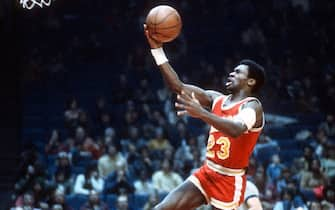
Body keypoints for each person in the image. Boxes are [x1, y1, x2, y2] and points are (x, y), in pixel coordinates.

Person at [144, 24, 265, 210]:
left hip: (230, 180)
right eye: (233, 70)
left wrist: (201, 113)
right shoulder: (215, 99)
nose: (232, 73)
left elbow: (236, 129)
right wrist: (157, 50)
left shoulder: (253, 106)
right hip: (207, 172)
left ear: (250, 81)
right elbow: (178, 87)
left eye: (238, 72)